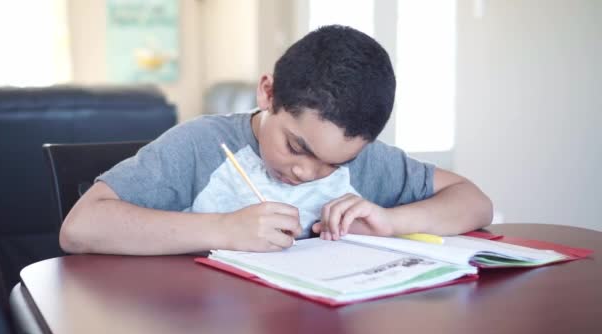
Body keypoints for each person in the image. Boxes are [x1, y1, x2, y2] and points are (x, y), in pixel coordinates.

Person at [60, 25, 492, 255]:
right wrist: (224, 229)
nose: (306, 173)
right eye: (297, 147)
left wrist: (392, 222)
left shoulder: (367, 163)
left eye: (334, 165)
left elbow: (474, 202)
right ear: (268, 92)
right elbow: (79, 229)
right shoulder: (198, 146)